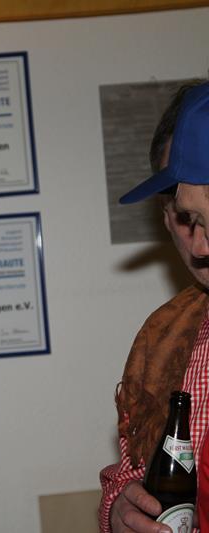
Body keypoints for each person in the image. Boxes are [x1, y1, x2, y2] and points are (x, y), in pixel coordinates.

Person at [100, 80, 209, 533]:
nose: (200, 245)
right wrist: (118, 510)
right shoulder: (160, 335)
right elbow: (131, 468)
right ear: (166, 216)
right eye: (186, 218)